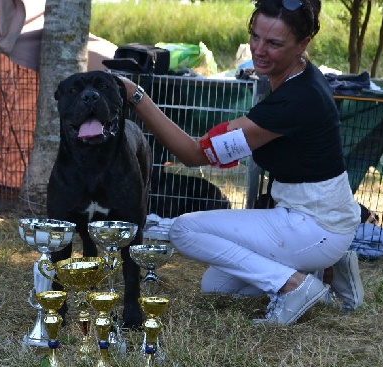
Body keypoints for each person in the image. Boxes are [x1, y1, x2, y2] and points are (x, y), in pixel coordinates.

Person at [117, 0, 364, 324]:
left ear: (303, 44)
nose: (259, 50)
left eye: (274, 43)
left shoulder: (293, 100)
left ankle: (295, 285)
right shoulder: (302, 78)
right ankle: (332, 267)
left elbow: (193, 154)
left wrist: (136, 96)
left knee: (185, 230)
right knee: (216, 286)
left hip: (314, 225)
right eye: (256, 37)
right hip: (320, 220)